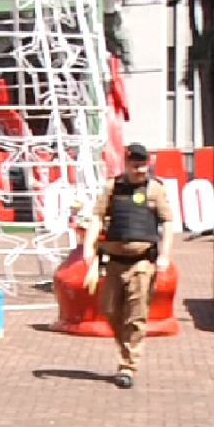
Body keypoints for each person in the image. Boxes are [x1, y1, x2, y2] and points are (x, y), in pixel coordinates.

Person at [82, 143, 173, 389]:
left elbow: (167, 223)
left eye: (144, 165)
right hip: (114, 263)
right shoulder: (113, 188)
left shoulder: (154, 190)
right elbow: (97, 216)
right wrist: (88, 246)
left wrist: (164, 255)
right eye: (135, 165)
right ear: (126, 163)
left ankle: (128, 366)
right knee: (109, 310)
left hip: (141, 264)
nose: (140, 169)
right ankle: (125, 347)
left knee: (135, 316)